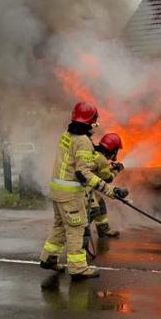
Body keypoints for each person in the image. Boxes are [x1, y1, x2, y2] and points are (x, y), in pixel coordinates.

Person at [40, 102, 128, 290]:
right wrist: (112, 191)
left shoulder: (67, 135)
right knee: (76, 227)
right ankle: (78, 268)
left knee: (60, 225)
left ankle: (49, 258)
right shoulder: (83, 142)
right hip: (71, 194)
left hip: (57, 189)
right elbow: (84, 173)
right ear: (91, 122)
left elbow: (76, 161)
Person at [87, 133, 125, 241]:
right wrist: (116, 171)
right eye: (116, 150)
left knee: (100, 203)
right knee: (93, 209)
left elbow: (97, 170)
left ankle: (103, 229)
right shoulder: (102, 160)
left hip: (86, 185)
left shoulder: (95, 153)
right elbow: (107, 178)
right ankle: (81, 230)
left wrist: (109, 167)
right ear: (112, 149)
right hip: (85, 189)